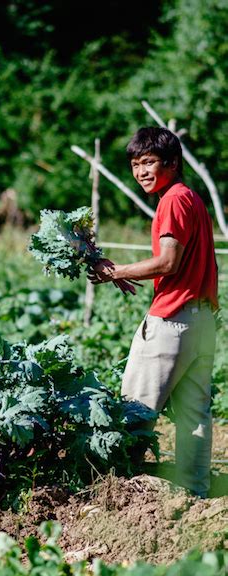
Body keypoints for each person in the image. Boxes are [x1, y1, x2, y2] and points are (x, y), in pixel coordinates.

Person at [88, 126, 219, 499]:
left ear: (172, 164)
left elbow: (168, 262)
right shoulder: (191, 198)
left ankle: (121, 495)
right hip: (201, 321)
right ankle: (196, 494)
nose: (142, 172)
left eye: (149, 162)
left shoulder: (173, 201)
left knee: (135, 410)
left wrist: (115, 272)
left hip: (173, 321)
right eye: (135, 164)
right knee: (194, 415)